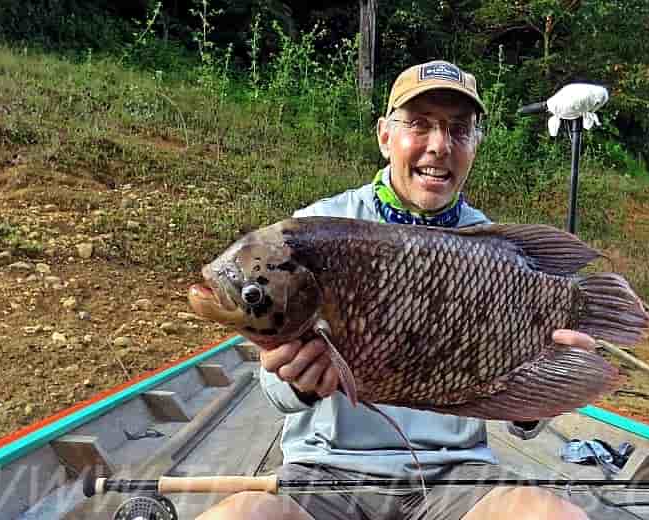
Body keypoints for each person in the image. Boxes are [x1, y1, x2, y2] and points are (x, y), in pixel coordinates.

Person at [198, 60, 594, 520]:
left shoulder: (499, 253)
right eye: (420, 125)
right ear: (385, 135)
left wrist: (544, 385)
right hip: (327, 471)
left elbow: (524, 420)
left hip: (458, 475)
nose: (439, 146)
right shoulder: (313, 231)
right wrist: (297, 382)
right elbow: (276, 391)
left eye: (458, 129)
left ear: (475, 145)